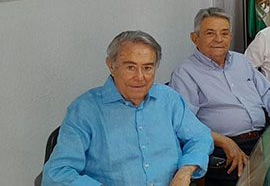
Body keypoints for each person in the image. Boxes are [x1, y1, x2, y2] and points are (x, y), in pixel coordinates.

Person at [43, 31, 213, 185]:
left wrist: (185, 171)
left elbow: (200, 137)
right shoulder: (85, 110)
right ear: (111, 65)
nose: (140, 77)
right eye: (130, 67)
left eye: (147, 67)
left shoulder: (168, 99)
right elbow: (57, 173)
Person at [169, 7, 270, 185]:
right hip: (222, 151)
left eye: (224, 33)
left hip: (263, 141)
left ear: (230, 36)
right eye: (210, 33)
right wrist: (225, 143)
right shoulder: (185, 73)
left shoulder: (241, 61)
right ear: (195, 38)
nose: (219, 39)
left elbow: (268, 95)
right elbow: (185, 125)